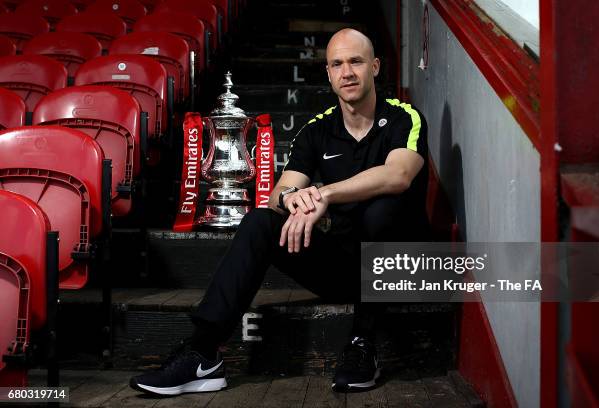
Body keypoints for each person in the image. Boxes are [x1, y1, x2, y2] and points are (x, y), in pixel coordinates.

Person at [130, 28, 429, 396]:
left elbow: (398, 175)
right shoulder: (317, 130)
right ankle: (202, 353)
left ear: (376, 67)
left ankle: (362, 345)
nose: (347, 72)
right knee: (259, 221)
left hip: (402, 269)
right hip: (344, 269)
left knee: (382, 210)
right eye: (337, 64)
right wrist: (294, 200)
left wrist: (322, 194)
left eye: (356, 61)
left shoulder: (403, 117)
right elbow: (279, 193)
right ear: (328, 74)